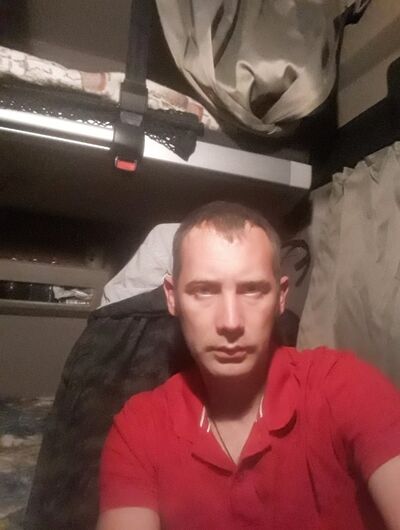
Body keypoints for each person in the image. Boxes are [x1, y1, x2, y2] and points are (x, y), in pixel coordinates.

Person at [97, 201, 400, 530]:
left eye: (252, 290)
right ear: (172, 297)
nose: (230, 322)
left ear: (281, 297)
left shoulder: (344, 385)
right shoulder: (139, 427)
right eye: (204, 291)